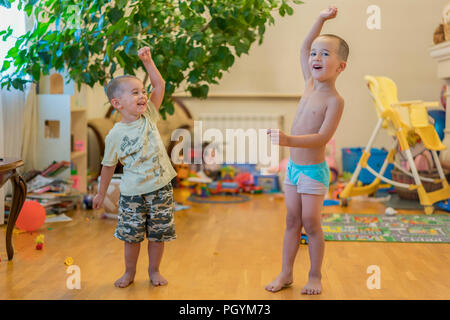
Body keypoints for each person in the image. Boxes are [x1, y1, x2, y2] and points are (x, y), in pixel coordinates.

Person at [266, 6, 348, 295]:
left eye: (325, 54)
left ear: (341, 66)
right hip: (293, 169)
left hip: (313, 172)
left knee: (312, 223)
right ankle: (286, 273)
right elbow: (303, 46)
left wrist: (287, 140)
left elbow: (321, 137)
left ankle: (315, 276)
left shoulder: (335, 101)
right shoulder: (309, 83)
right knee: (291, 220)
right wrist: (321, 19)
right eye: (315, 53)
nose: (316, 57)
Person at [93, 47, 177, 288]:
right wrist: (101, 193)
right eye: (135, 93)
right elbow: (108, 167)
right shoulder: (115, 135)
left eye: (142, 91)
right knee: (131, 238)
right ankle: (129, 272)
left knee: (158, 235)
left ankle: (154, 270)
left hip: (160, 189)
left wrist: (148, 62)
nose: (143, 96)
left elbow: (159, 86)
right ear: (117, 103)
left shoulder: (149, 115)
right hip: (132, 195)